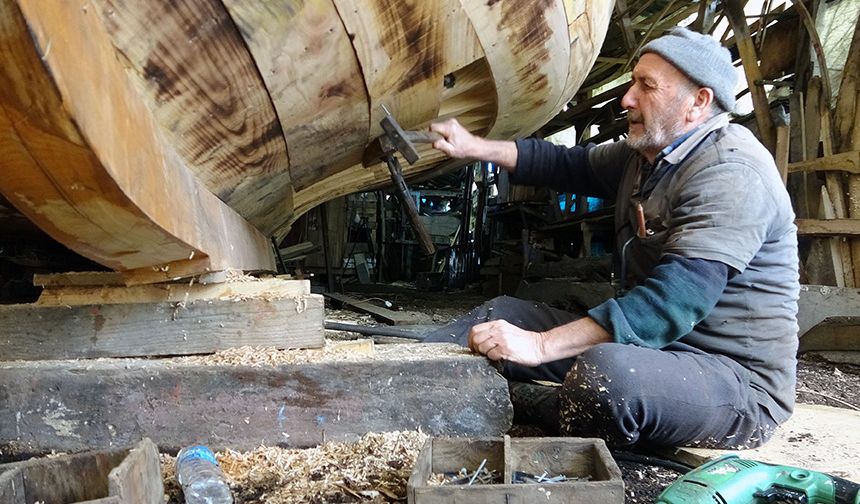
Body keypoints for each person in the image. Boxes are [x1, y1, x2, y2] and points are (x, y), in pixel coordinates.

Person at [424, 27, 799, 450]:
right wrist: (474, 147)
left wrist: (541, 345)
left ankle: (527, 403)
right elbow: (567, 165)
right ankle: (401, 374)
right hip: (652, 349)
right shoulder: (646, 156)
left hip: (733, 381)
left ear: (698, 102)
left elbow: (670, 303)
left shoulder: (732, 172)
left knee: (608, 377)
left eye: (647, 86)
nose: (627, 99)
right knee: (498, 315)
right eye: (632, 82)